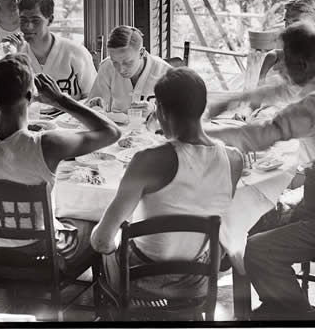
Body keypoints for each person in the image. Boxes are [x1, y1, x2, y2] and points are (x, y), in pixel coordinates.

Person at [203, 23, 315, 321]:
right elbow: (284, 89)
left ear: (302, 62)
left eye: (285, 62)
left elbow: (261, 136)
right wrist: (233, 100)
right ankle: (277, 306)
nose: (280, 67)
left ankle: (301, 317)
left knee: (255, 249)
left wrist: (198, 132)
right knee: (251, 222)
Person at [90, 67, 243, 309]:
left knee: (100, 236)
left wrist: (104, 234)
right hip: (197, 279)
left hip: (141, 280)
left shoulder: (147, 160)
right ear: (203, 107)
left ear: (160, 110)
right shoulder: (234, 159)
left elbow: (102, 243)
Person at [0, 54, 119, 270]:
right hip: (40, 256)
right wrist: (61, 100)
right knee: (94, 223)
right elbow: (112, 132)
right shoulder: (47, 145)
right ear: (31, 95)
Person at [207, 0, 315, 118]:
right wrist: (244, 114)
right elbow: (255, 103)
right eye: (287, 21)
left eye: (296, 21)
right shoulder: (272, 58)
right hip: (261, 121)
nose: (289, 28)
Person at [18, 0, 97, 98]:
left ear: (50, 20)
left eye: (35, 20)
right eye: (23, 20)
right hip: (30, 114)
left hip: (71, 114)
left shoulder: (76, 52)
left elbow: (94, 98)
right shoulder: (17, 55)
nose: (28, 26)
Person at [86, 25, 170, 120]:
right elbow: (92, 107)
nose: (121, 69)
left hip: (152, 132)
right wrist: (97, 106)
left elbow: (180, 116)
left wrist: (155, 111)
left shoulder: (165, 72)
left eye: (127, 62)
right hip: (116, 131)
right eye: (115, 62)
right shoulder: (107, 67)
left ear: (141, 53)